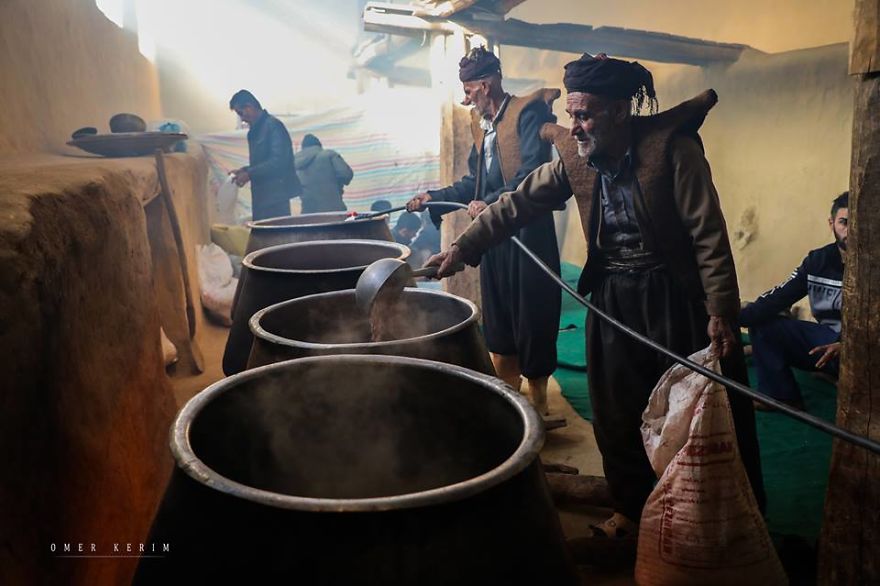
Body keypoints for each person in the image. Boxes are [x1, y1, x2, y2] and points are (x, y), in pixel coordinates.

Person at [425, 53, 765, 538]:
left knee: (696, 412)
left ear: (620, 112)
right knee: (614, 410)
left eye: (585, 115)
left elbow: (708, 234)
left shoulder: (674, 150)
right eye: (572, 115)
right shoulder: (574, 159)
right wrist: (464, 245)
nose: (576, 127)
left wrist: (722, 312)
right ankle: (631, 511)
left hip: (673, 298)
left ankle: (712, 521)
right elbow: (517, 203)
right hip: (612, 297)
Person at [406, 46, 562, 415]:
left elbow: (534, 174)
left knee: (532, 312)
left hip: (528, 234)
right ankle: (511, 402)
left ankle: (539, 403)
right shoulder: (484, 129)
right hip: (494, 238)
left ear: (488, 84)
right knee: (501, 317)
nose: (466, 97)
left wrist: (491, 200)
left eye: (471, 89)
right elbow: (472, 186)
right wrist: (434, 197)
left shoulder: (528, 113)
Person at [739, 192, 847, 409]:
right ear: (831, 223)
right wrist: (730, 318)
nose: (852, 230)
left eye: (859, 222)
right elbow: (777, 298)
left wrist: (847, 345)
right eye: (844, 222)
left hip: (864, 351)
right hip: (825, 347)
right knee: (763, 321)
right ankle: (781, 396)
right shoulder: (817, 261)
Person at [229, 90, 301, 221]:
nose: (242, 118)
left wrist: (250, 174)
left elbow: (278, 162)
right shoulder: (255, 130)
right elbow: (262, 162)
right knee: (265, 237)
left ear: (249, 106)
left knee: (276, 238)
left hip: (275, 197)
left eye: (241, 113)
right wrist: (244, 171)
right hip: (262, 196)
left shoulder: (273, 126)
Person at [295, 134, 354, 214]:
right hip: (334, 209)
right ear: (319, 145)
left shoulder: (293, 163)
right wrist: (338, 184)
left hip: (308, 212)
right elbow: (346, 174)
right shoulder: (329, 155)